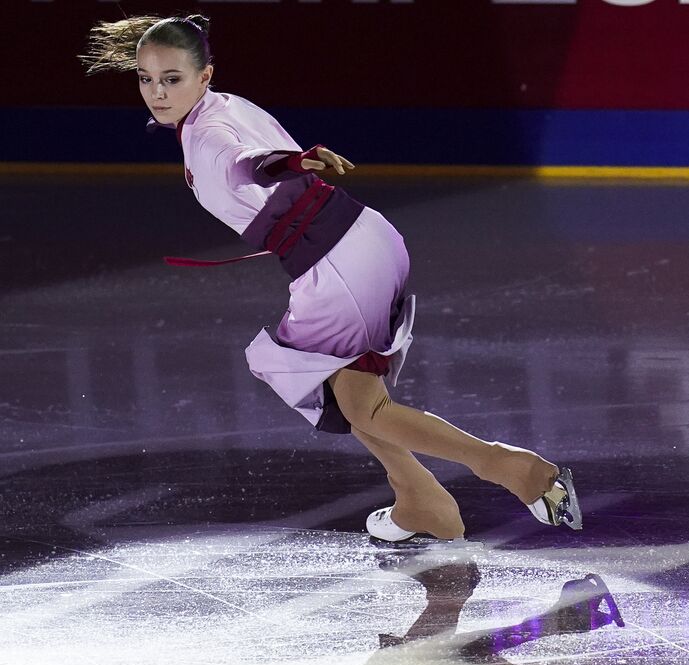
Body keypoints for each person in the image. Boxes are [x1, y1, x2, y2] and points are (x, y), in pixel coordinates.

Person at [79, 13, 582, 541]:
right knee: (352, 398)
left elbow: (250, 163)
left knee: (357, 401)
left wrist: (292, 162)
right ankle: (420, 499)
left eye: (171, 79)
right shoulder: (226, 105)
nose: (156, 93)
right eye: (146, 78)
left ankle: (510, 470)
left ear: (204, 75)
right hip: (365, 238)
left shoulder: (208, 135)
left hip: (335, 264)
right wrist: (292, 164)